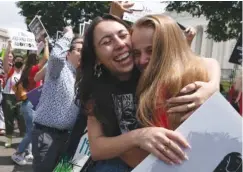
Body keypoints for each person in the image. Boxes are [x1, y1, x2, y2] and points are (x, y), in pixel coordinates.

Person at [75, 14, 220, 171]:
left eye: (123, 35)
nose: (119, 44)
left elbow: (203, 62)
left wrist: (212, 85)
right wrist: (139, 136)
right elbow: (97, 148)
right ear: (96, 57)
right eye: (107, 42)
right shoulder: (97, 90)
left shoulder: (149, 69)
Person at [32, 27, 83, 172]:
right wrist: (68, 35)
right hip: (47, 136)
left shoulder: (80, 77)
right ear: (68, 53)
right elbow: (55, 57)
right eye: (79, 50)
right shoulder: (58, 70)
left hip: (67, 139)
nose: (83, 54)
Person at [11, 38, 49, 165]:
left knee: (29, 131)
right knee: (31, 132)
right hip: (30, 104)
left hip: (28, 104)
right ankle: (18, 153)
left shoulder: (27, 69)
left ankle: (28, 153)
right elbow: (46, 58)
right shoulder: (33, 69)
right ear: (36, 60)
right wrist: (47, 44)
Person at [2, 41, 25, 148]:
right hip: (8, 97)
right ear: (14, 61)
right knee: (9, 120)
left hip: (20, 98)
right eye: (17, 60)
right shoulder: (10, 71)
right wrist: (8, 48)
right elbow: (5, 60)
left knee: (22, 118)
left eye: (21, 60)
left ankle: (24, 139)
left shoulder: (24, 72)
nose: (19, 61)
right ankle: (9, 139)